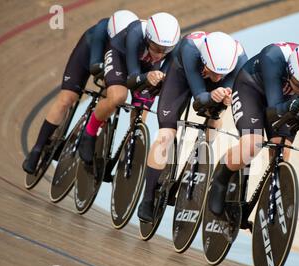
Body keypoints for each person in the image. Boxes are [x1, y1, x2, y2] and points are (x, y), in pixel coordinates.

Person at [207, 42, 299, 220]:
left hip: (284, 102)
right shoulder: (272, 57)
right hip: (251, 89)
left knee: (282, 150)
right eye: (297, 83)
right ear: (290, 70)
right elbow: (272, 112)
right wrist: (295, 105)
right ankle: (219, 180)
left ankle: (270, 199)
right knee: (251, 145)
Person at [137, 31, 248, 223]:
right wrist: (211, 95)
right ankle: (147, 199)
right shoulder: (190, 49)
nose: (219, 76)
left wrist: (224, 98)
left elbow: (225, 94)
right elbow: (199, 97)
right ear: (205, 61)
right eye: (215, 71)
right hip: (180, 75)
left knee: (216, 116)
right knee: (166, 134)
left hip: (208, 81)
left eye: (223, 73)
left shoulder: (239, 58)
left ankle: (200, 154)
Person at [22, 10, 138, 174]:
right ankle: (37, 148)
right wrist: (104, 72)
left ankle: (92, 129)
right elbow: (95, 64)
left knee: (111, 95)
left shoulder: (132, 39)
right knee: (66, 99)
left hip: (114, 59)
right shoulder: (101, 31)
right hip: (88, 53)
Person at [78, 12, 181, 164]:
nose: (160, 54)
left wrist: (159, 81)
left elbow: (164, 79)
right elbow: (133, 79)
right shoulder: (135, 33)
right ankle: (89, 132)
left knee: (141, 109)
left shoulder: (174, 46)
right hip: (120, 56)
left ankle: (131, 146)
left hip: (146, 66)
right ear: (147, 38)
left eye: (166, 49)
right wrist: (147, 78)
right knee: (118, 96)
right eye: (157, 48)